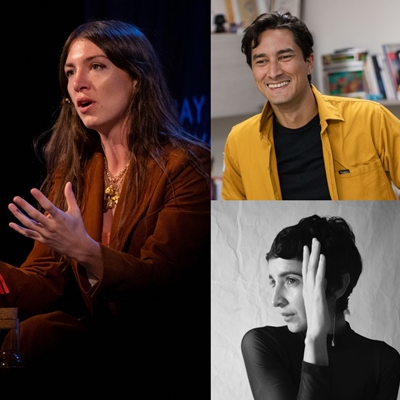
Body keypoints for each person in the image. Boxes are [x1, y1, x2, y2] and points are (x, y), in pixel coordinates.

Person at [0, 20, 210, 395]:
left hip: (159, 344)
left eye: (96, 66)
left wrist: (84, 249)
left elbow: (164, 285)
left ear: (137, 79)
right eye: (70, 72)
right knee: (29, 334)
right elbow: (44, 282)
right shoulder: (74, 172)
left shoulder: (185, 166)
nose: (78, 82)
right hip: (97, 340)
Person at [222, 12, 400, 200]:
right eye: (261, 61)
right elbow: (234, 213)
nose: (273, 72)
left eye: (285, 57)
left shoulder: (371, 119)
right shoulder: (239, 142)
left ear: (308, 62)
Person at [241, 215, 400, 399]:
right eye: (273, 282)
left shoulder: (384, 361)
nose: (275, 300)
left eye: (291, 280)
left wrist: (316, 336)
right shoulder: (263, 344)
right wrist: (315, 339)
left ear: (338, 285)